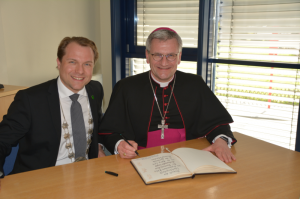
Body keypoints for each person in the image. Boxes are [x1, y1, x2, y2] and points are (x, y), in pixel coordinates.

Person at [99, 27, 237, 163]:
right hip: (140, 159)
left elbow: (218, 123)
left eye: (171, 55)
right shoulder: (126, 87)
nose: (164, 63)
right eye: (157, 55)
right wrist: (119, 144)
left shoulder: (195, 85)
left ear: (179, 57)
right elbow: (109, 131)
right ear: (147, 56)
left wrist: (221, 141)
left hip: (190, 158)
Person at [0, 37, 105, 183]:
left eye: (87, 64)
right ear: (59, 62)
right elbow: (2, 139)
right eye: (72, 62)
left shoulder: (95, 89)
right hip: (41, 180)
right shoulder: (30, 100)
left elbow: (97, 125)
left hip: (87, 176)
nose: (80, 71)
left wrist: (98, 147)